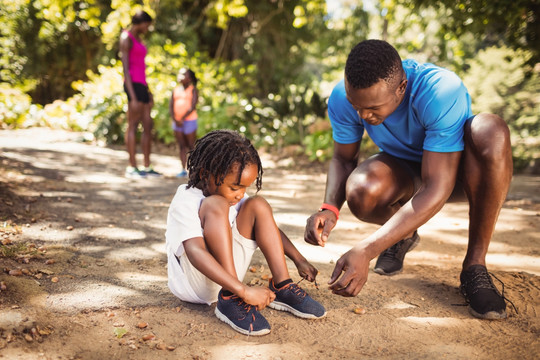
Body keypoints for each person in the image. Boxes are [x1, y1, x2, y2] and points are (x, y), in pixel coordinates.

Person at [304, 40, 513, 320]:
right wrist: (329, 208)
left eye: (373, 108)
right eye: (357, 106)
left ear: (401, 88)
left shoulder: (440, 90)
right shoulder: (345, 97)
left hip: (456, 174)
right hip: (405, 171)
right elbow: (343, 159)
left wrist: (367, 249)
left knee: (491, 130)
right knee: (361, 190)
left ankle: (475, 266)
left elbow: (437, 186)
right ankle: (404, 235)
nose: (363, 116)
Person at [166, 129, 326, 336]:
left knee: (257, 204)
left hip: (229, 276)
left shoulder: (233, 194)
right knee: (216, 204)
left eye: (243, 188)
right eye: (235, 188)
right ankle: (231, 298)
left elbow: (268, 229)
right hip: (196, 284)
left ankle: (282, 285)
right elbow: (195, 252)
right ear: (206, 174)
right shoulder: (185, 200)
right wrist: (242, 290)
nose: (239, 194)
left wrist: (298, 259)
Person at [119, 10, 161, 178]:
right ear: (140, 22)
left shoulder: (139, 39)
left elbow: (141, 68)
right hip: (132, 86)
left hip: (142, 85)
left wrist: (148, 91)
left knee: (147, 125)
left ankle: (146, 165)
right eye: (147, 24)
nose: (148, 28)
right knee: (133, 124)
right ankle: (132, 166)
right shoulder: (126, 38)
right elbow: (126, 70)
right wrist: (133, 97)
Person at [169, 68, 199, 177]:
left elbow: (193, 106)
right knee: (181, 146)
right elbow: (171, 106)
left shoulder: (193, 90)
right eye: (180, 74)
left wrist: (182, 118)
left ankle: (194, 169)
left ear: (189, 78)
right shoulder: (175, 90)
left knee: (191, 146)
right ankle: (183, 169)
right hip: (177, 123)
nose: (180, 76)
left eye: (183, 74)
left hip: (189, 121)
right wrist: (175, 119)